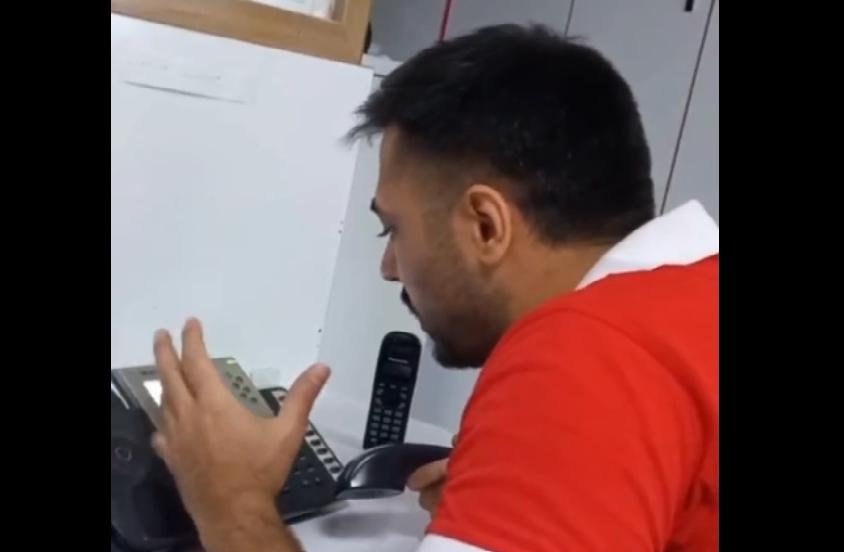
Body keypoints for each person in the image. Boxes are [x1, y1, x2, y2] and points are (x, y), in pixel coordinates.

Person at [151, 24, 718, 552]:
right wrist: (522, 499)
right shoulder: (690, 301)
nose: (389, 268)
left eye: (393, 230)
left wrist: (233, 502)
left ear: (486, 226)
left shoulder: (584, 357)